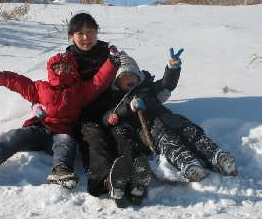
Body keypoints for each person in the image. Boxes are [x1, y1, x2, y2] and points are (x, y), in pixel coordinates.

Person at [0, 50, 120, 189]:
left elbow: (98, 82)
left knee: (65, 143)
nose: (61, 70)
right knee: (14, 136)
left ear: (73, 70)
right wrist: (0, 76)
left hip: (61, 131)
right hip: (38, 128)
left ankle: (62, 171)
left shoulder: (79, 90)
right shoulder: (41, 87)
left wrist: (112, 63)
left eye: (66, 67)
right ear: (51, 70)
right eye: (57, 68)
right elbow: (20, 84)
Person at [65, 11, 169, 208]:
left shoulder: (110, 53)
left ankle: (136, 180)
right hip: (87, 115)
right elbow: (59, 85)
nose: (86, 37)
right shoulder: (69, 61)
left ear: (97, 32)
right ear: (72, 36)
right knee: (96, 144)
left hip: (115, 110)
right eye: (80, 33)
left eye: (90, 31)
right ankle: (108, 181)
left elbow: (130, 72)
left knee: (124, 138)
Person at [102, 48, 238, 187]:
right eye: (123, 76)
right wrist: (128, 108)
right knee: (170, 144)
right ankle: (188, 163)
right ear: (116, 82)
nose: (129, 77)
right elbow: (108, 116)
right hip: (150, 131)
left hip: (171, 119)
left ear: (139, 76)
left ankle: (216, 156)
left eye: (132, 74)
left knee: (193, 133)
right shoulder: (117, 99)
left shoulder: (147, 87)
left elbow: (166, 84)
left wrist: (172, 69)